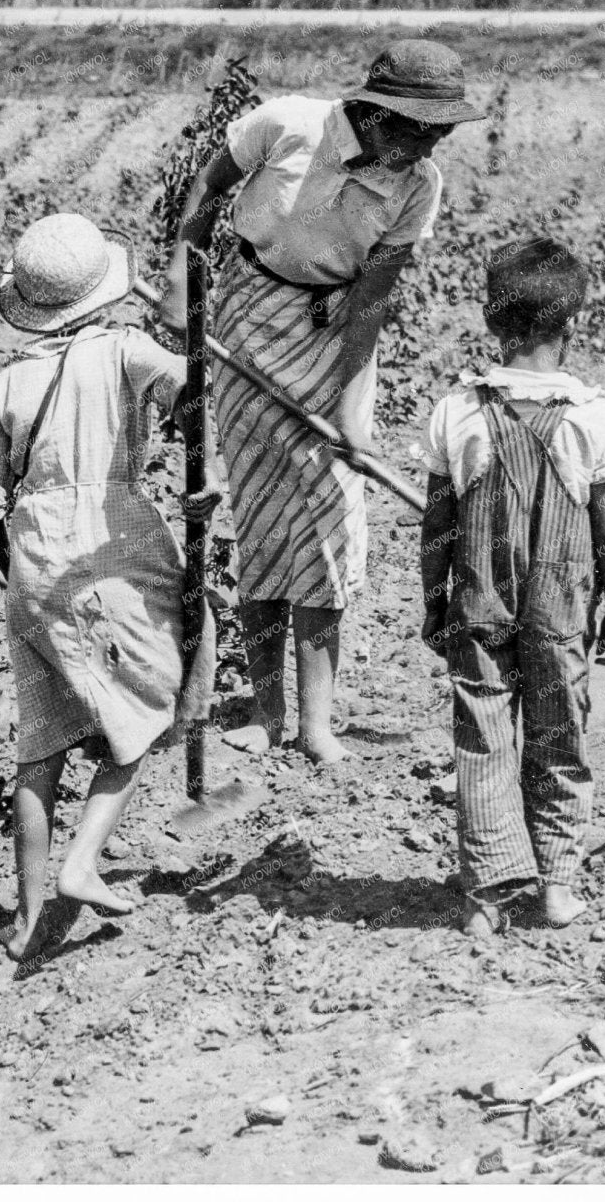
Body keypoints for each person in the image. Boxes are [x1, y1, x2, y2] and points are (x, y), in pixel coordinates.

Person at [159, 40, 482, 764]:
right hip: (244, 318)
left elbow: (372, 299)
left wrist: (343, 404)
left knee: (331, 525)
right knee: (263, 520)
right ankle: (266, 712)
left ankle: (318, 722)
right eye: (416, 128)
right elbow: (207, 193)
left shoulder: (419, 185)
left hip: (335, 333)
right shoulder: (287, 125)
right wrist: (183, 281)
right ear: (373, 111)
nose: (428, 145)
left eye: (439, 132)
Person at [0, 215, 221, 961]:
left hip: (32, 561)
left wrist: (15, 571)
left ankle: (26, 921)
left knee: (39, 747)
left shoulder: (6, 382)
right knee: (147, 708)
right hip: (112, 542)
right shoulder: (124, 351)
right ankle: (82, 861)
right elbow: (198, 398)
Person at [419, 236, 605, 935]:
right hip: (560, 607)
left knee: (483, 735)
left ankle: (486, 894)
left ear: (490, 320)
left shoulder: (459, 409)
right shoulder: (592, 415)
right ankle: (558, 886)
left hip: (478, 599)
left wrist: (434, 603)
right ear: (573, 325)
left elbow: (437, 527)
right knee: (559, 736)